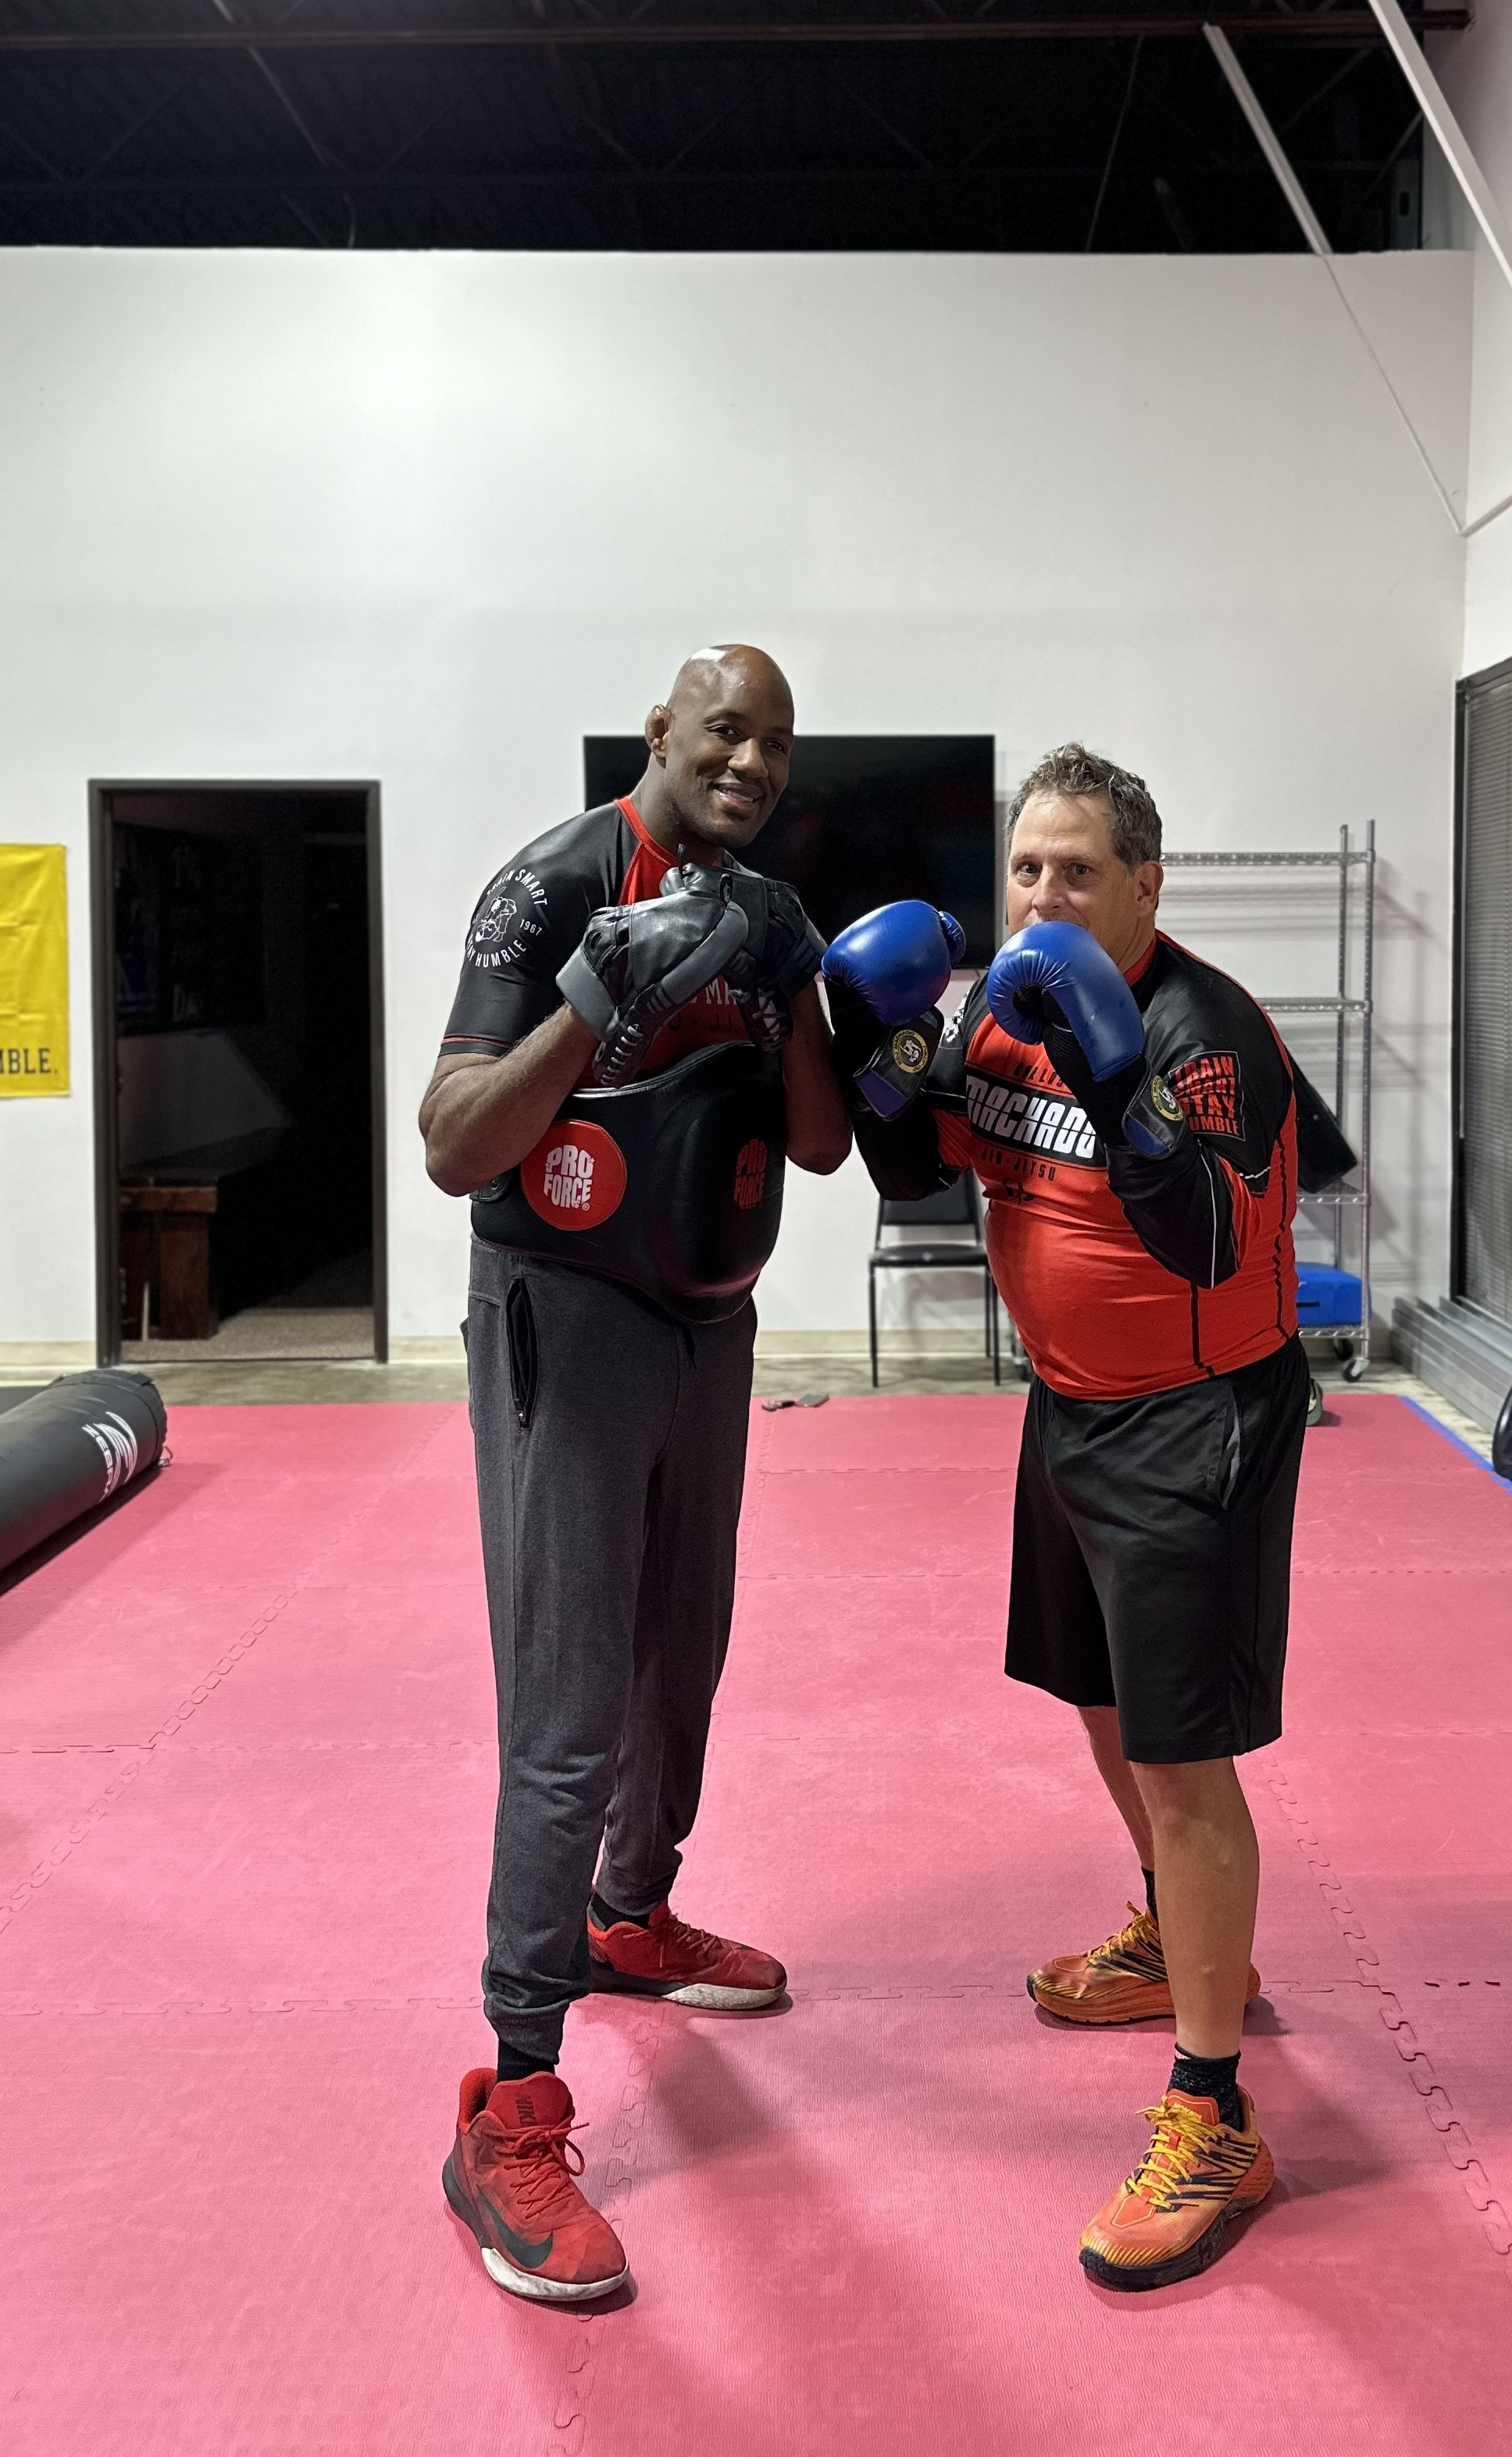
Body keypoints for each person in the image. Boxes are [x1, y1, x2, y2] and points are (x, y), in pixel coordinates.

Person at [824, 742, 1307, 2292]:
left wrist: (1116, 1073)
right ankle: (1176, 1939)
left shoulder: (1203, 1029)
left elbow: (1213, 1236)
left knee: (1181, 1753)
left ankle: (1216, 2114)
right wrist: (869, 1041)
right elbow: (911, 1170)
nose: (1041, 894)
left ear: (1143, 885)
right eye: (1025, 869)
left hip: (1194, 1419)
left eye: (1075, 870)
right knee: (1100, 1708)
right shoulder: (1000, 1015)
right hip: (1067, 1411)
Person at [420, 643, 850, 2304]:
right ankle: (506, 2103)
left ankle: (628, 1916)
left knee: (687, 1663)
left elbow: (815, 1142)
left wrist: (820, 988)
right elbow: (455, 1138)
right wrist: (601, 996)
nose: (749, 758)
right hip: (565, 1318)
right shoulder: (555, 883)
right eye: (722, 728)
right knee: (570, 1705)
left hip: (708, 1327)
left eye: (774, 741)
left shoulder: (770, 910)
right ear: (662, 733)